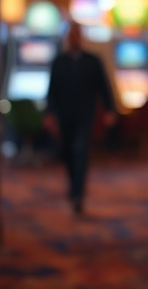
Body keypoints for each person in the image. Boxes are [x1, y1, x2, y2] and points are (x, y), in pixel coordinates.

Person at [44, 21, 116, 215]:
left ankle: (78, 194)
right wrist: (49, 113)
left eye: (76, 34)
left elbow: (104, 87)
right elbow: (51, 90)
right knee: (67, 152)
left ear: (80, 37)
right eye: (71, 35)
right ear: (67, 38)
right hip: (64, 113)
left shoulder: (93, 60)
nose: (73, 38)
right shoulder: (59, 61)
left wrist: (110, 110)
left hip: (86, 114)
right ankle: (73, 186)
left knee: (80, 151)